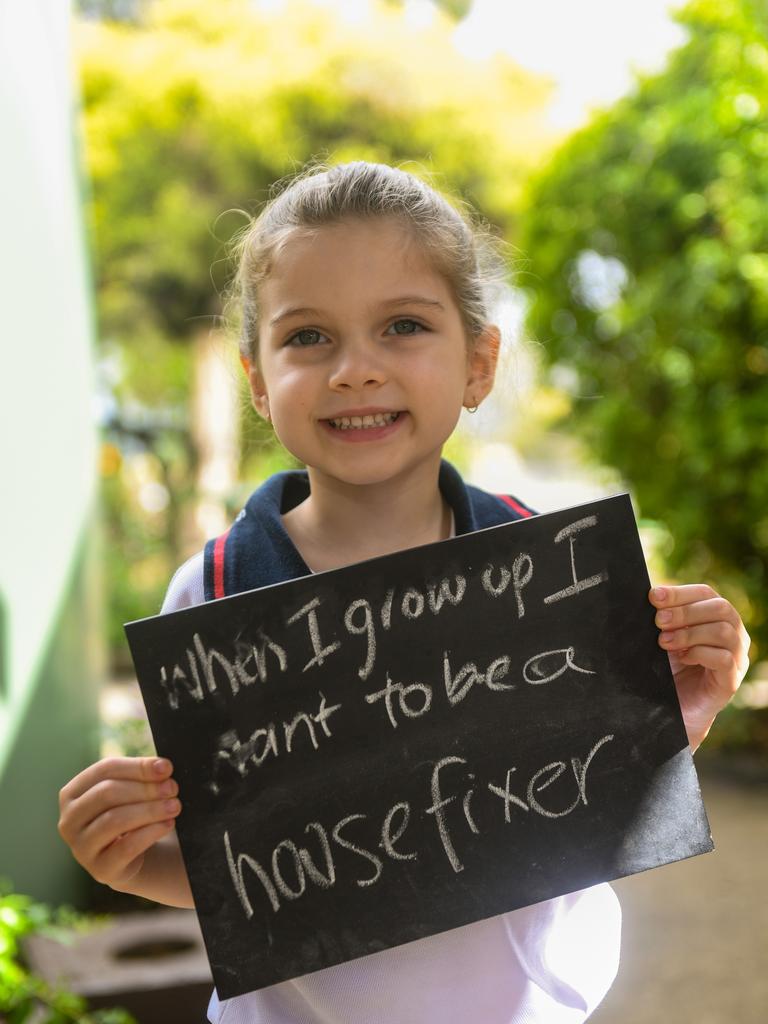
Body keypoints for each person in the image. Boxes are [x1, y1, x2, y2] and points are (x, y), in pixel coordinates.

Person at [59, 161, 751, 1024]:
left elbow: (589, 793)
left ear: (479, 362)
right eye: (308, 337)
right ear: (258, 382)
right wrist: (129, 862)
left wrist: (680, 716)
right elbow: (233, 867)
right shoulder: (213, 596)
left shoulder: (558, 574)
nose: (355, 369)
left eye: (403, 326)